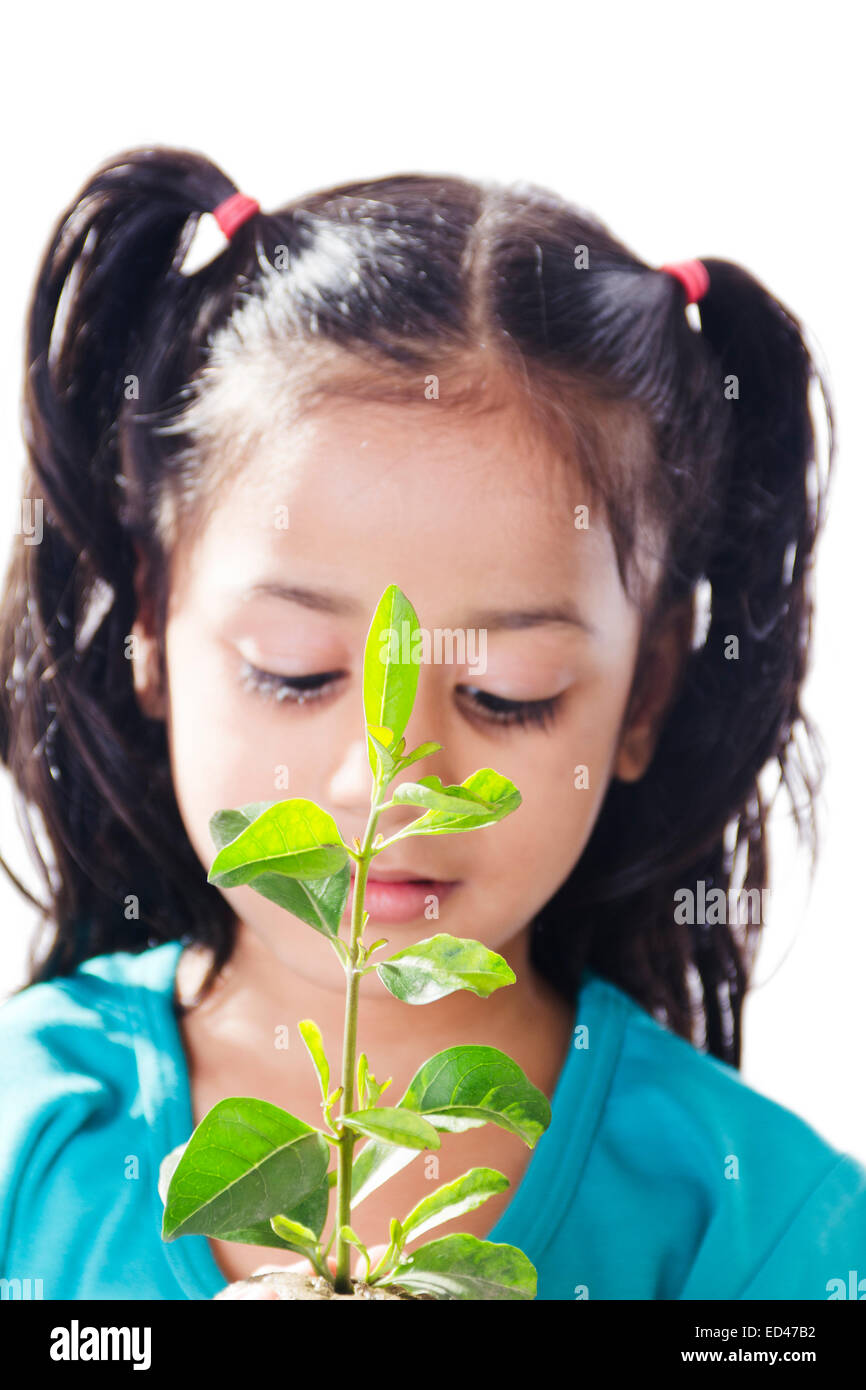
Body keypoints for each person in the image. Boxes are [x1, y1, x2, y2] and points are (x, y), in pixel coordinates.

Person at [0, 146, 863, 1302]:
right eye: (293, 671)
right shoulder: (26, 1124)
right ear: (152, 626)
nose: (381, 778)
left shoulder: (764, 1228)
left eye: (508, 690)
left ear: (643, 690)